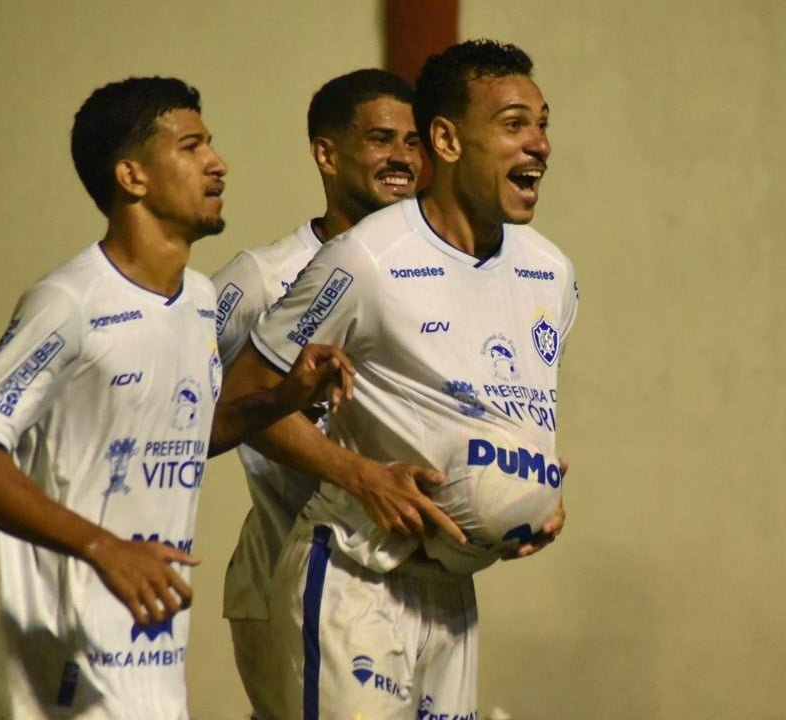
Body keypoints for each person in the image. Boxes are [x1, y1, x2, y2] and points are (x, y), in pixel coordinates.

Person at [0, 76, 352, 720]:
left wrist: (281, 397)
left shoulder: (200, 301)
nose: (218, 163)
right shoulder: (70, 302)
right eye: (191, 147)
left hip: (152, 648)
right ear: (132, 176)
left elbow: (184, 435)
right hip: (62, 658)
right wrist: (105, 549)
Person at [219, 40, 577, 719]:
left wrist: (531, 495)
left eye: (543, 124)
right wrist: (361, 476)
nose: (539, 145)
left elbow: (511, 409)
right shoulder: (364, 260)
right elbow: (238, 400)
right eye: (513, 125)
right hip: (356, 579)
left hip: (451, 590)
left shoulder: (551, 272)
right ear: (446, 139)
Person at [210, 68, 424, 720]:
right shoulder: (260, 278)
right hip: (288, 578)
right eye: (382, 139)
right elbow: (177, 411)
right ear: (326, 154)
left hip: (411, 589)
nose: (402, 159)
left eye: (413, 142)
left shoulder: (429, 275)